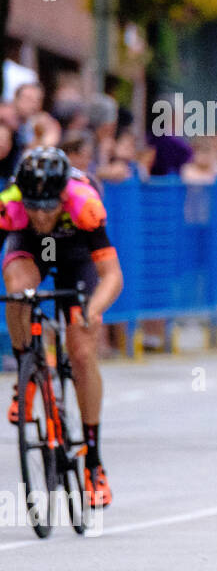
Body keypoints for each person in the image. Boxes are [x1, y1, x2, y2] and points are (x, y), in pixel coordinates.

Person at [0, 148, 123, 507]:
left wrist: (94, 309)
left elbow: (112, 276)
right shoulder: (10, 205)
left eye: (48, 206)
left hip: (76, 254)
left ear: (62, 197)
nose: (40, 214)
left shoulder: (84, 204)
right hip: (30, 250)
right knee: (18, 290)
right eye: (33, 205)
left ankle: (94, 462)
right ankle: (27, 370)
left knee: (83, 353)